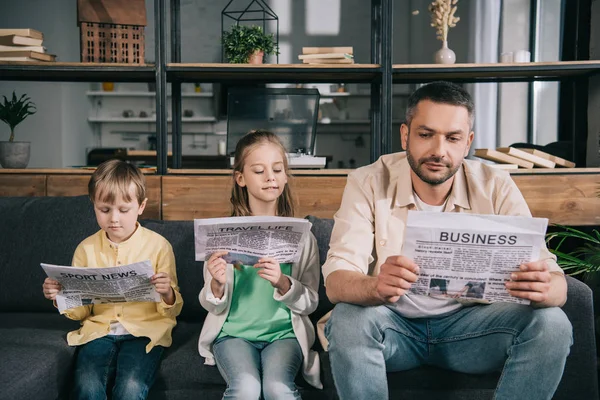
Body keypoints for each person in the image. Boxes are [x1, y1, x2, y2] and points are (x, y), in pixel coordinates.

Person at [321, 81, 572, 400]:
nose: (439, 151)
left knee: (552, 322)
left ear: (467, 142)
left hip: (474, 330)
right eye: (425, 135)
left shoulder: (495, 184)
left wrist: (544, 288)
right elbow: (337, 279)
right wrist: (374, 287)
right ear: (405, 135)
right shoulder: (368, 182)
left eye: (452, 138)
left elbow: (557, 281)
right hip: (395, 327)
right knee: (347, 318)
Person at [42, 159, 183, 400]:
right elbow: (81, 313)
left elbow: (172, 311)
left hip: (146, 332)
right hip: (98, 331)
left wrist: (166, 292)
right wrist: (60, 297)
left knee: (130, 386)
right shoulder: (85, 249)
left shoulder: (159, 246)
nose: (114, 219)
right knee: (86, 384)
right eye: (104, 210)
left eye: (123, 210)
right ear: (93, 205)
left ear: (141, 206)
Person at [198, 129, 322, 399]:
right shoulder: (222, 234)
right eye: (259, 170)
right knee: (246, 388)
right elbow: (210, 304)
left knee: (278, 389)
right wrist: (217, 284)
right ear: (240, 178)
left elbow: (311, 302)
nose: (270, 177)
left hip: (284, 335)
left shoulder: (303, 237)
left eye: (277, 169)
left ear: (285, 176)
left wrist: (283, 282)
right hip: (233, 335)